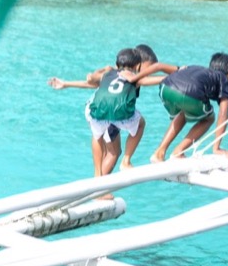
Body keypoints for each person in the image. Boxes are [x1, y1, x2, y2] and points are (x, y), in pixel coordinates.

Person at [48, 44, 175, 173]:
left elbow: (93, 82)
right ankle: (99, 188)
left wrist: (66, 83)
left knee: (109, 148)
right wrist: (180, 72)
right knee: (113, 153)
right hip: (110, 112)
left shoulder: (113, 72)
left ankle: (99, 184)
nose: (150, 72)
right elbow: (92, 81)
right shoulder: (133, 77)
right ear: (138, 64)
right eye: (150, 68)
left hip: (97, 110)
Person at [146, 52, 228, 161]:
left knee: (183, 113)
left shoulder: (200, 70)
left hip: (165, 87)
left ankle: (159, 152)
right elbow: (223, 114)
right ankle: (178, 152)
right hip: (188, 92)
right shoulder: (225, 80)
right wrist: (216, 148)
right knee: (209, 118)